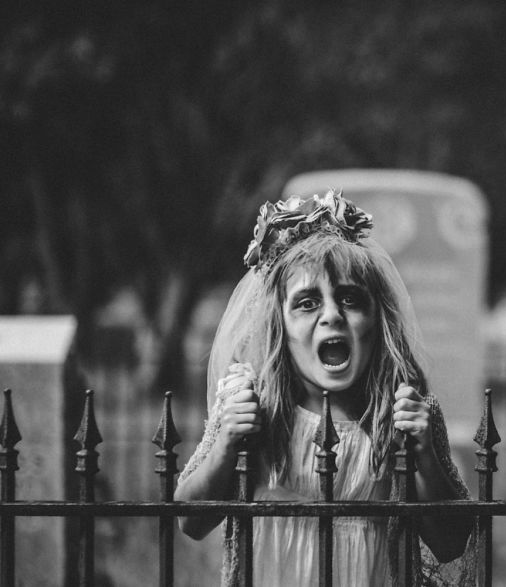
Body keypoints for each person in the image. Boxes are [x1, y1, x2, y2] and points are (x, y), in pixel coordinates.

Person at [175, 190, 473, 585]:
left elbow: (450, 543)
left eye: (350, 299)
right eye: (308, 302)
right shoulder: (250, 399)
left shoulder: (402, 409)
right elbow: (190, 522)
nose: (332, 315)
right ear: (279, 325)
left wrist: (424, 453)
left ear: (377, 320)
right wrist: (228, 443)